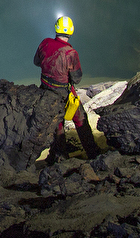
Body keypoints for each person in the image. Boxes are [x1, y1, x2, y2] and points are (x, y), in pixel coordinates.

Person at [35, 15, 101, 160]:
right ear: (71, 31)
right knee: (80, 119)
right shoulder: (71, 53)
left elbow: (36, 62)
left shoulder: (45, 43)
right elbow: (76, 79)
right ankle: (93, 153)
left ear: (56, 29)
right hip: (64, 92)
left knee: (57, 125)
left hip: (45, 90)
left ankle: (59, 156)